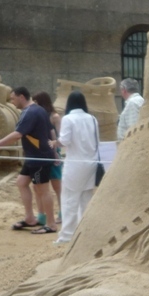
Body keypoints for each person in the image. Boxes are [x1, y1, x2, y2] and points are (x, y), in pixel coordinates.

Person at [0, 87, 58, 234]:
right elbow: (50, 131)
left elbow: (18, 134)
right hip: (34, 155)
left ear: (21, 97)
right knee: (21, 182)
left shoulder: (30, 112)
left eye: (13, 98)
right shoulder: (39, 110)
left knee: (43, 189)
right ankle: (30, 218)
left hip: (38, 157)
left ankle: (51, 224)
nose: (12, 102)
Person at [52, 91, 99, 244]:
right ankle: (85, 233)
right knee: (86, 199)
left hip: (74, 164)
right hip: (91, 163)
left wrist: (54, 143)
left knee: (69, 200)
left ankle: (67, 236)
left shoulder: (68, 118)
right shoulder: (92, 118)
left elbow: (64, 141)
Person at [33, 91, 62, 224]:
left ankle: (62, 213)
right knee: (39, 186)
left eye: (36, 101)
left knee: (57, 185)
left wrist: (55, 151)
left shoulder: (55, 116)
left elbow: (59, 136)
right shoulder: (37, 115)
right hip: (40, 153)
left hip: (53, 152)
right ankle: (42, 214)